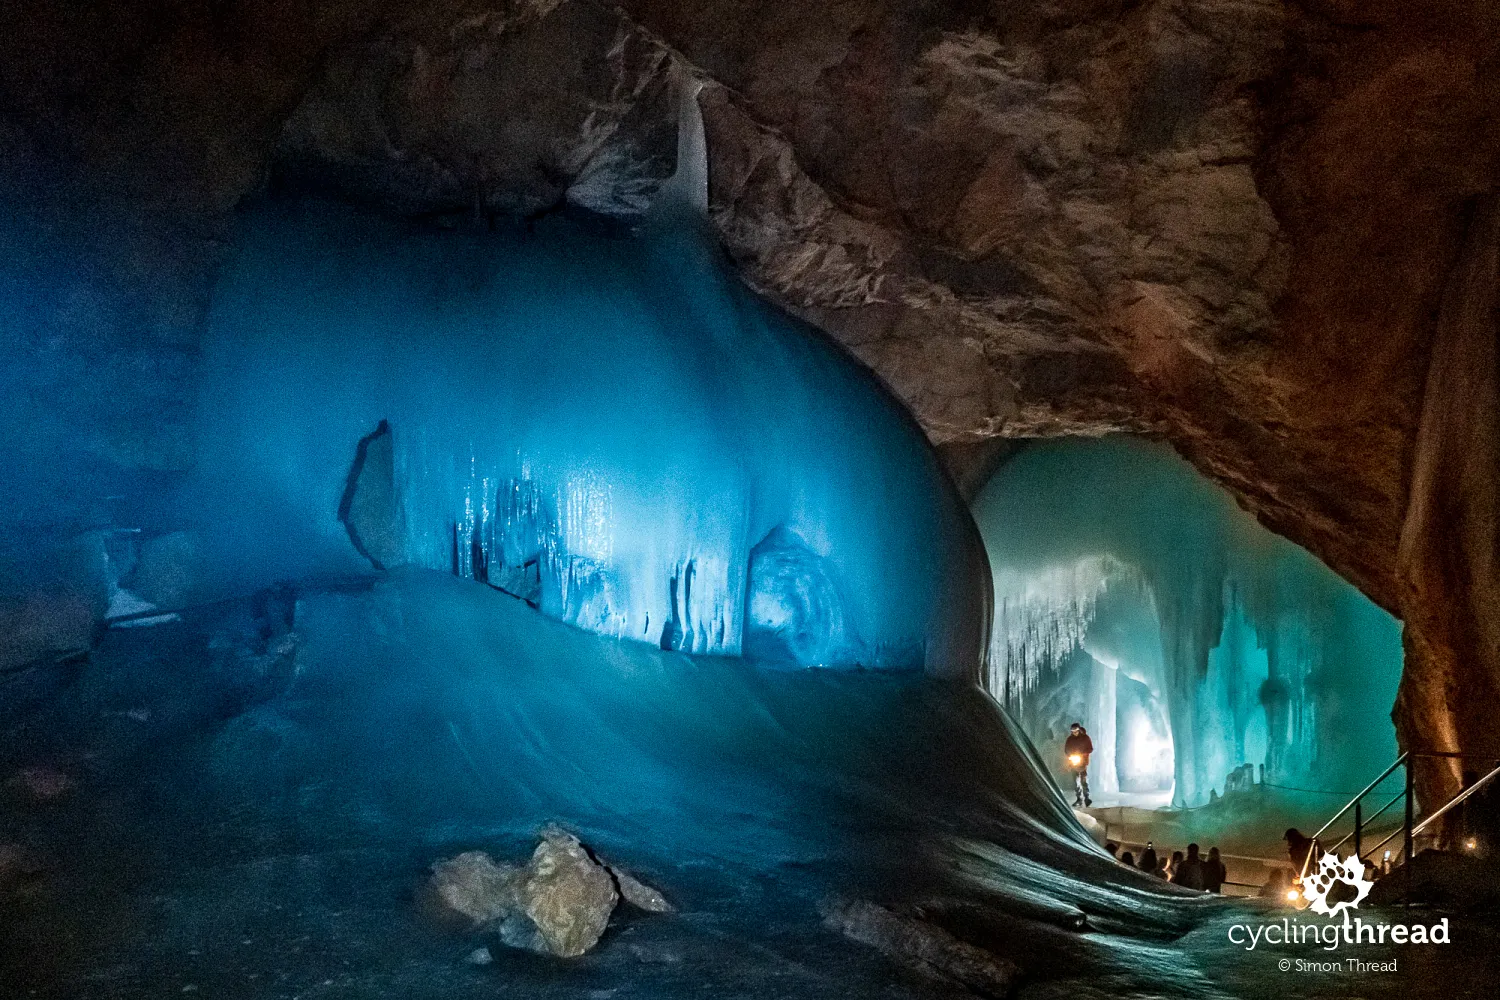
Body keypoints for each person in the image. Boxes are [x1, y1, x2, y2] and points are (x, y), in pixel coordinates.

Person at [1064, 722, 1094, 807]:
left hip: (1083, 762)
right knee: (1075, 782)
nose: (1074, 733)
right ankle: (1079, 799)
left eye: (1076, 731)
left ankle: (1087, 798)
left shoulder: (1085, 738)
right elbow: (1066, 749)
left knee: (1083, 781)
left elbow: (1090, 748)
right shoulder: (1070, 739)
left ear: (1079, 730)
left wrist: (1082, 754)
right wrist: (1070, 755)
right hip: (1073, 762)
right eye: (1072, 731)